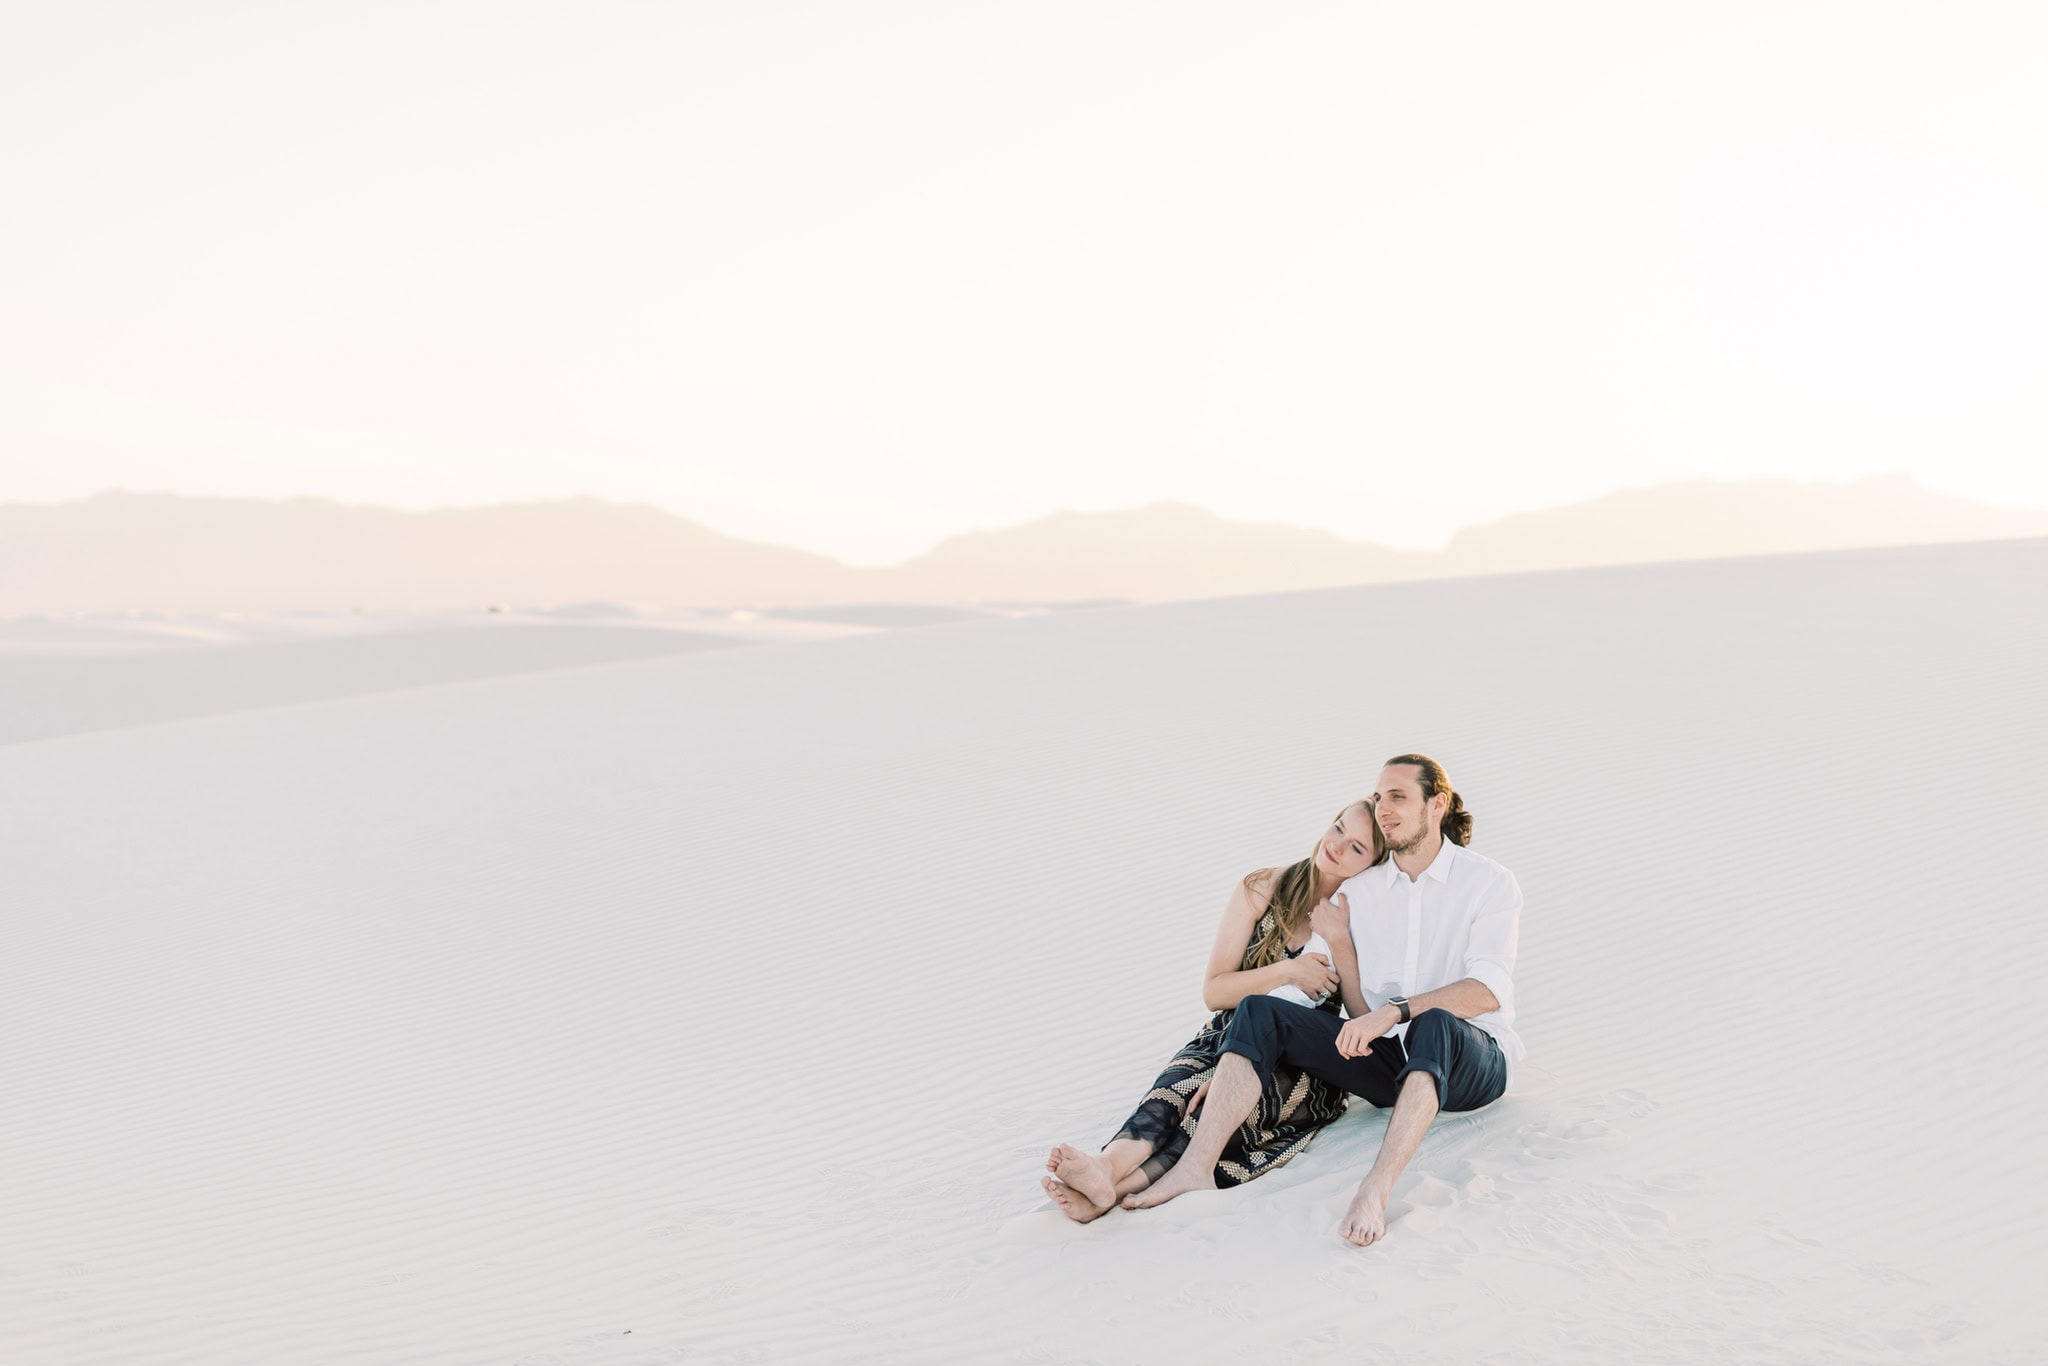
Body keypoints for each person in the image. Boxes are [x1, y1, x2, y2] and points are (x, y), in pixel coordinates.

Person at [1123, 755, 1523, 1249]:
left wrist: (1394, 1012)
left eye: (1398, 797)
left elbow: (1486, 990)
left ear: (1435, 805)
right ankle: (1197, 1168)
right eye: (1379, 798)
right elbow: (1303, 989)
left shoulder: (1488, 881)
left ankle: (1375, 1190)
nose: (1384, 809)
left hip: (1472, 1061)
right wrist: (1237, 1061)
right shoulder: (1361, 891)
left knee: (1433, 1022)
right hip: (1387, 1065)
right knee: (1261, 1010)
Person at [1040, 800, 1390, 1222]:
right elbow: (1215, 990)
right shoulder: (1263, 887)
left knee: (1222, 1114)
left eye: (1356, 848)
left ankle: (1112, 1192)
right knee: (1179, 1088)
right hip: (1231, 1031)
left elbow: (1359, 1013)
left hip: (1305, 1064)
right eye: (1338, 828)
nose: (1336, 846)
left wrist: (1339, 942)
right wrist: (1289, 971)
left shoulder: (1363, 913)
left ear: (1371, 864)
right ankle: (1106, 1166)